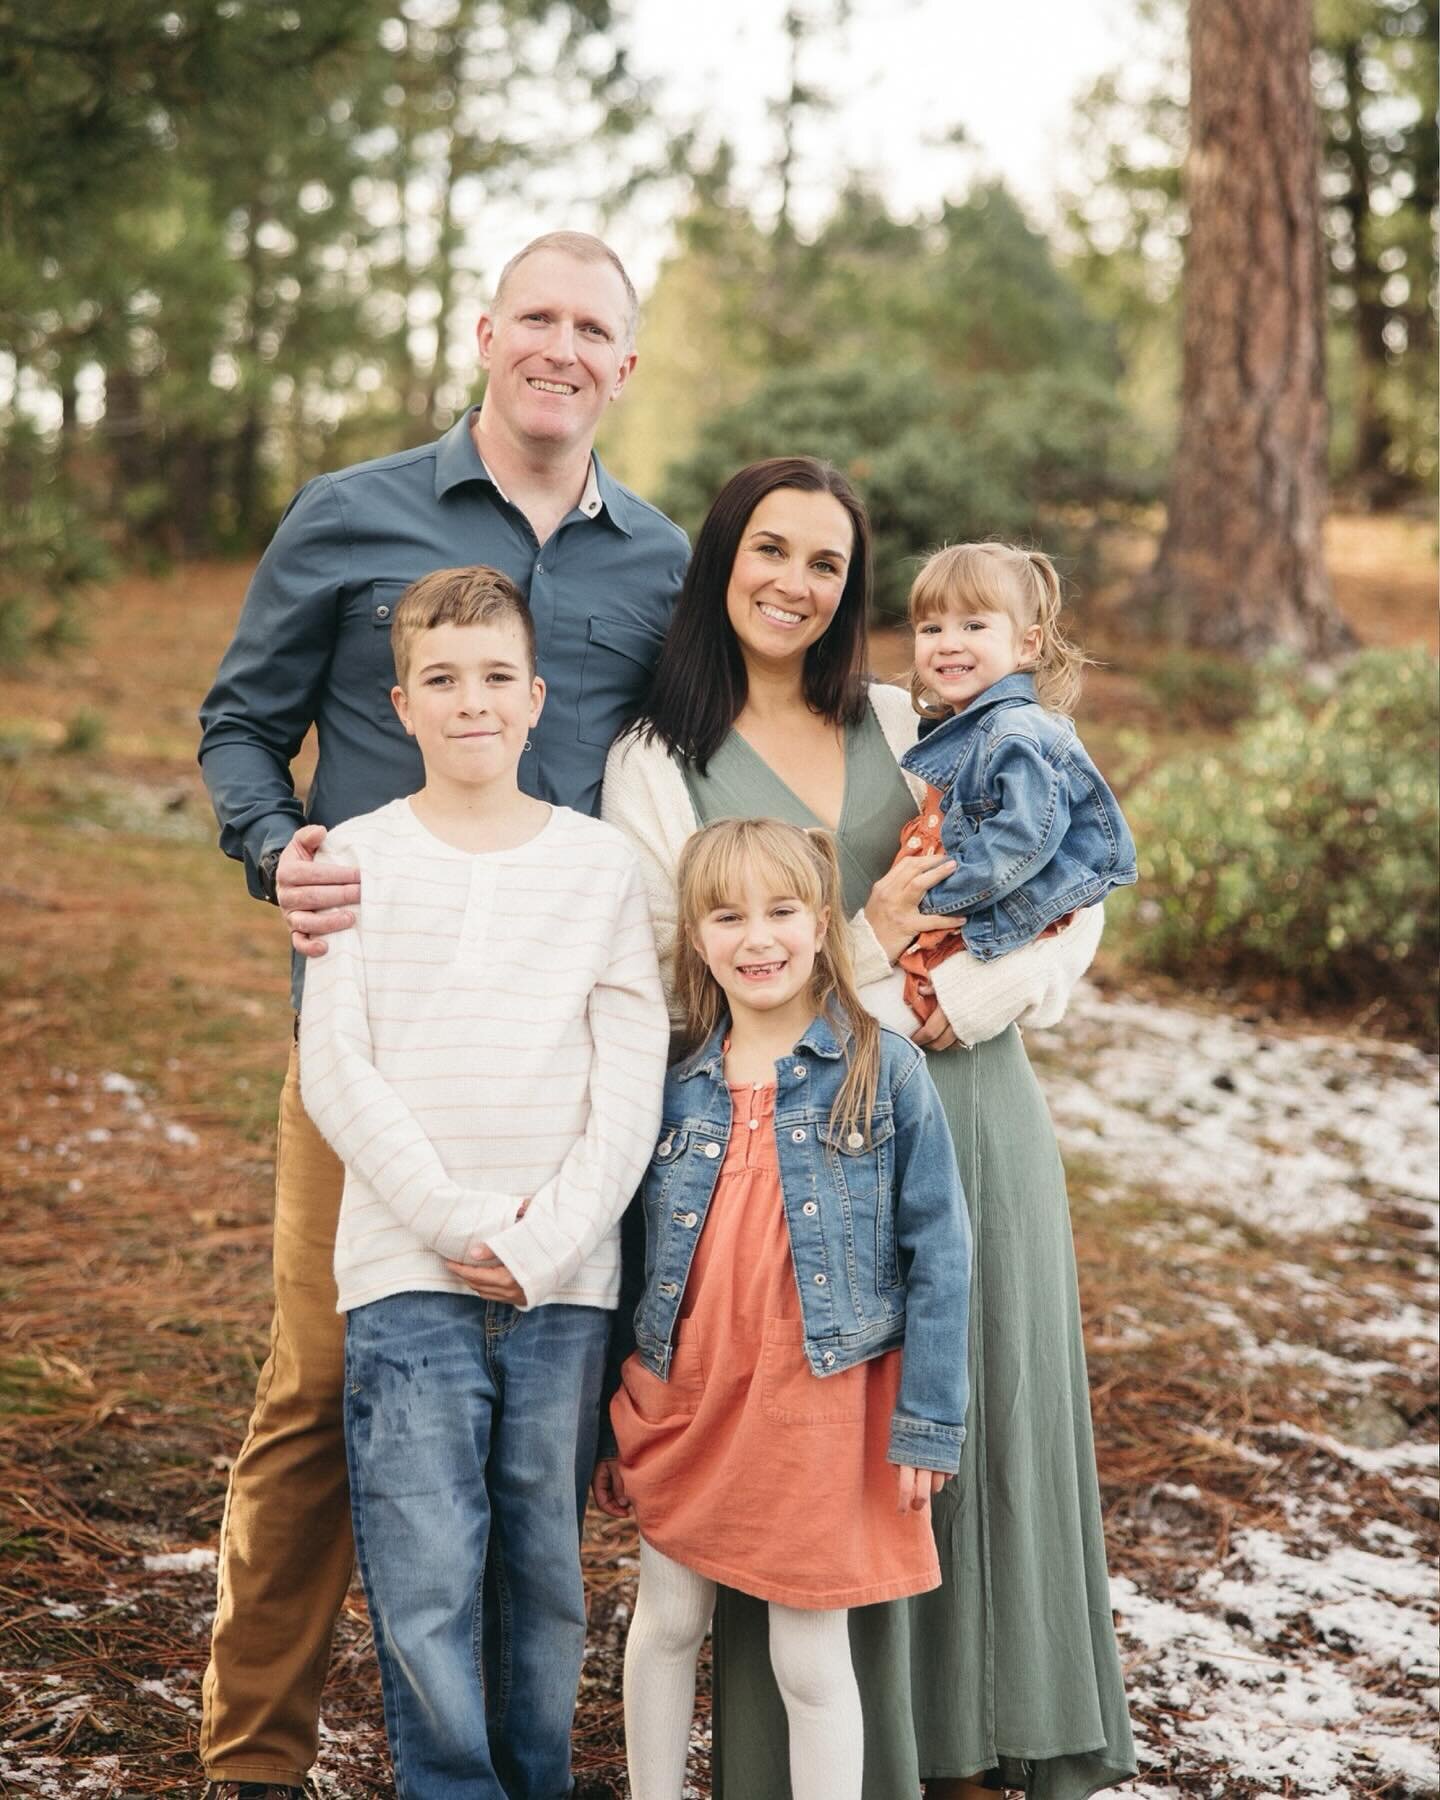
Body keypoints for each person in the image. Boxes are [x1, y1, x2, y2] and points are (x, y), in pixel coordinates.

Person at [196, 230, 688, 1800]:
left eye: (592, 327)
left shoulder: (664, 564)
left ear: (625, 361)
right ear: (485, 332)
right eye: (534, 315)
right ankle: (253, 1759)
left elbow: (725, 760)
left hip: (578, 1075)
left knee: (553, 1436)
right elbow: (239, 726)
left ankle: (511, 1755)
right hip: (379, 1056)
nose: (560, 346)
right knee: (325, 1382)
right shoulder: (352, 516)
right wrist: (283, 858)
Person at [602, 457, 1136, 1799]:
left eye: (827, 564)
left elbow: (1079, 888)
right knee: (822, 1444)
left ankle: (979, 1737)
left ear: (853, 592)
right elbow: (686, 978)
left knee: (971, 1427)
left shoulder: (913, 716)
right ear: (720, 559)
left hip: (971, 1105)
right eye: (768, 550)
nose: (793, 582)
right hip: (792, 1154)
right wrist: (875, 945)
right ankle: (852, 1762)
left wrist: (962, 996)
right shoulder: (655, 762)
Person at [297, 566, 668, 1797]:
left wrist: (546, 1239)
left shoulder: (601, 868)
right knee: (424, 1570)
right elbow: (335, 1071)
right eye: (443, 681)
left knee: (542, 1577)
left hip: (561, 1282)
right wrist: (459, 1222)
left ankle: (535, 1777)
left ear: (537, 697)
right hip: (406, 1272)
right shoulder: (354, 855)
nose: (473, 702)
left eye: (497, 678)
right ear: (399, 703)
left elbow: (630, 1082)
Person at [592, 817, 973, 1800]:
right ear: (695, 932)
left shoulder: (883, 1071)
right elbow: (628, 1260)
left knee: (808, 1660)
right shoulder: (670, 1082)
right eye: (727, 915)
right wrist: (606, 1408)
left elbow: (941, 1256)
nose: (757, 938)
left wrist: (927, 1425)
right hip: (687, 1394)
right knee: (668, 1620)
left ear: (819, 924)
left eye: (781, 911)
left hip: (817, 1405)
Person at [883, 542, 1137, 1031]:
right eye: (931, 628)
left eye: (974, 626)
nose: (948, 642)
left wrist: (933, 899)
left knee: (877, 1023)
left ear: (1026, 644)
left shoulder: (1012, 732)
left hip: (982, 912)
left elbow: (1023, 839)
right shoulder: (969, 725)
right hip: (967, 910)